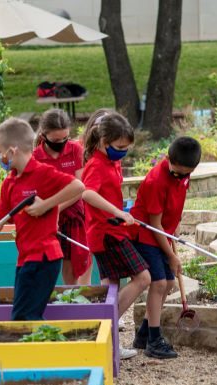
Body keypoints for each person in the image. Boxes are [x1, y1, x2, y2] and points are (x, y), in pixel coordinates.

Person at [0, 118, 84, 320]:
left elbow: (78, 187)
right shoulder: (10, 183)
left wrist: (47, 204)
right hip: (25, 259)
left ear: (12, 151)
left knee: (24, 317)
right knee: (25, 316)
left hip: (44, 258)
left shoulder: (42, 173)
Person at [81, 111, 151, 360]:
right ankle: (104, 326)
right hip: (106, 233)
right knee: (143, 277)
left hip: (113, 228)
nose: (123, 151)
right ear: (103, 141)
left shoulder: (112, 160)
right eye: (119, 147)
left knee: (110, 287)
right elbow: (87, 194)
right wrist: (116, 212)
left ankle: (107, 344)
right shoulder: (96, 164)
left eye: (126, 148)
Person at [131, 137, 201, 359]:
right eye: (177, 173)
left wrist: (176, 226)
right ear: (168, 159)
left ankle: (142, 335)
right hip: (145, 235)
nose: (181, 177)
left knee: (169, 282)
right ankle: (154, 340)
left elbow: (177, 203)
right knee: (159, 282)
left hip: (163, 233)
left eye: (186, 174)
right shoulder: (156, 182)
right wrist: (171, 256)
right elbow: (154, 224)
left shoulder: (183, 175)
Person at [33, 108, 91, 285]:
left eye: (65, 138)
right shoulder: (36, 156)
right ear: (44, 135)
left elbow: (79, 188)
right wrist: (48, 210)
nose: (62, 143)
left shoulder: (75, 149)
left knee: (72, 266)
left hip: (71, 213)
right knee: (44, 265)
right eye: (56, 140)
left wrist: (57, 208)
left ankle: (74, 304)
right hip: (45, 215)